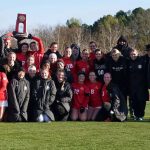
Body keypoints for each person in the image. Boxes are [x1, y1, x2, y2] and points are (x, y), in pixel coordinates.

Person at [128, 49, 149, 121]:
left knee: (141, 101)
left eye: (134, 54)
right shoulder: (128, 62)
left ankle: (141, 115)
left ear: (137, 54)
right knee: (134, 102)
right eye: (131, 54)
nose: (133, 55)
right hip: (132, 87)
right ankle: (136, 115)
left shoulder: (142, 60)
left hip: (141, 86)